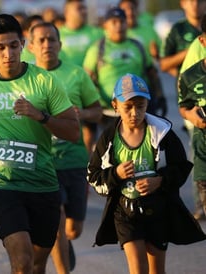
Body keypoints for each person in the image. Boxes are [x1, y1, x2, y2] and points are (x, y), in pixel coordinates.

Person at [0, 14, 80, 274]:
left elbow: (73, 131)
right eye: (1, 47)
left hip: (43, 184)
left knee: (36, 264)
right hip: (2, 183)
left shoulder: (44, 81)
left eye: (13, 45)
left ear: (23, 44)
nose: (8, 53)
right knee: (21, 261)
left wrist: (41, 116)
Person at [87, 73, 206, 274]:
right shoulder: (109, 138)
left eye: (140, 106)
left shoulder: (161, 131)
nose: (135, 113)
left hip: (157, 209)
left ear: (147, 104)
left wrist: (159, 181)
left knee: (156, 270)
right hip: (124, 211)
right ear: (115, 105)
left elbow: (181, 167)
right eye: (128, 107)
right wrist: (115, 173)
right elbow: (93, 175)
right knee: (138, 268)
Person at [28, 22, 102, 273]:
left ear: (60, 44)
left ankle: (63, 244)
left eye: (52, 40)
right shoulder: (26, 78)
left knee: (73, 228)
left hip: (74, 160)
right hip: (43, 163)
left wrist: (82, 113)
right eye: (41, 40)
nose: (47, 45)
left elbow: (97, 112)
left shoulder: (77, 74)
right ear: (31, 46)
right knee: (57, 223)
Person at [83, 7, 165, 133]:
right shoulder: (97, 49)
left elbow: (152, 73)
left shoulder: (137, 46)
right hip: (109, 113)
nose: (119, 26)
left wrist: (160, 96)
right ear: (105, 26)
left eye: (122, 22)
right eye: (114, 22)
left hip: (136, 111)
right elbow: (87, 79)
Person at [160, 0, 206, 220]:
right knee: (199, 156)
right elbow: (166, 65)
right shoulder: (180, 31)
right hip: (197, 103)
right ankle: (201, 205)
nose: (196, 5)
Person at [59, 0, 104, 154]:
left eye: (84, 8)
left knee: (89, 134)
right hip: (65, 89)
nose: (83, 11)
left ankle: (87, 165)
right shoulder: (57, 34)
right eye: (79, 8)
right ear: (66, 12)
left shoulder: (96, 33)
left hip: (89, 88)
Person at [178, 42, 206, 221]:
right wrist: (191, 115)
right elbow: (184, 107)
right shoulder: (190, 76)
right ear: (203, 41)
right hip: (203, 149)